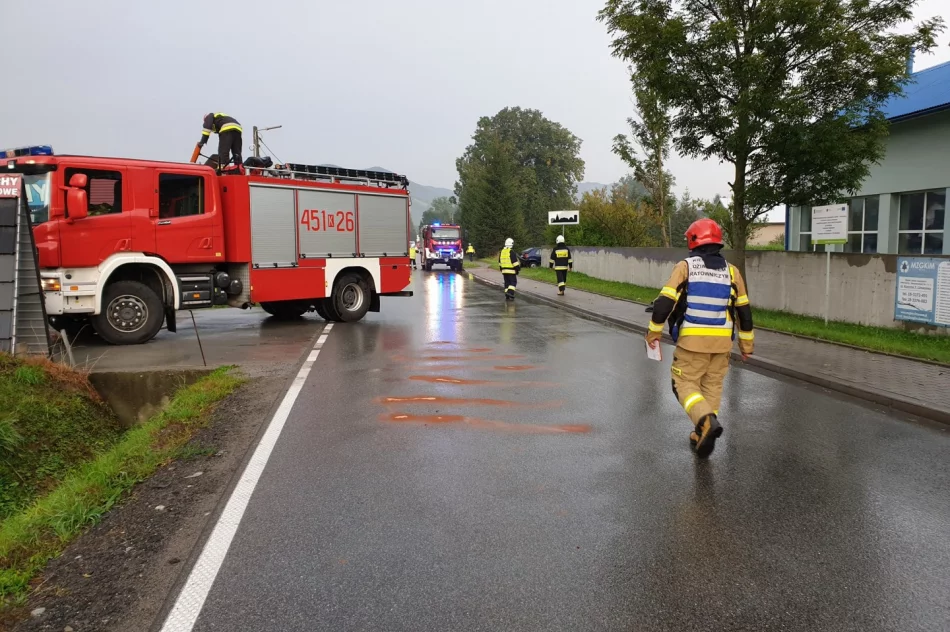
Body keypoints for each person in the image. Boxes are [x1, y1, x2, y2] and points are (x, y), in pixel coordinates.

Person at [645, 218, 754, 458]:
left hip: (692, 343)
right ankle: (702, 431)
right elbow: (744, 312)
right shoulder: (732, 272)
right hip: (722, 345)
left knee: (682, 384)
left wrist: (653, 332)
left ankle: (705, 422)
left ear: (693, 240)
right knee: (711, 386)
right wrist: (746, 346)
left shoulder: (686, 266)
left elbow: (664, 303)